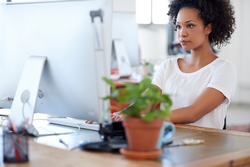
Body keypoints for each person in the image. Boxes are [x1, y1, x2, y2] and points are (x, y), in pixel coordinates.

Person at [110, 0, 237, 129]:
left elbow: (193, 113)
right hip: (169, 143)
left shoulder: (224, 69)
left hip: (206, 146)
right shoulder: (168, 66)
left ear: (208, 28)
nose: (182, 33)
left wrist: (145, 119)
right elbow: (146, 103)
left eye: (190, 25)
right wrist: (119, 116)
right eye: (178, 26)